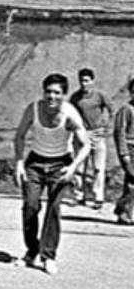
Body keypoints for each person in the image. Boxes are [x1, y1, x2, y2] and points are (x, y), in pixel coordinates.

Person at [13, 73, 90, 275]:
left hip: (60, 164)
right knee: (30, 206)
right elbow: (20, 136)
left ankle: (48, 256)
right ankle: (32, 251)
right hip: (35, 162)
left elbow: (86, 145)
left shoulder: (70, 114)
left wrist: (72, 168)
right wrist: (19, 163)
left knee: (53, 209)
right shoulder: (34, 109)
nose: (51, 97)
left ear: (64, 95)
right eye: (48, 92)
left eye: (57, 93)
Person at [67, 67, 114, 209]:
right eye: (81, 80)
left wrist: (106, 127)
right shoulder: (75, 98)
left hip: (97, 135)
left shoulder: (100, 95)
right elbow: (69, 114)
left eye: (87, 81)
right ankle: (78, 196)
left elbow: (111, 109)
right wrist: (74, 131)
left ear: (92, 81)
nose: (84, 83)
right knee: (79, 167)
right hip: (81, 135)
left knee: (98, 167)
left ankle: (98, 197)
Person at [113, 77, 134, 226]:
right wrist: (124, 154)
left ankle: (123, 209)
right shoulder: (126, 110)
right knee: (132, 181)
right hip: (130, 149)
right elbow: (119, 132)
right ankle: (124, 212)